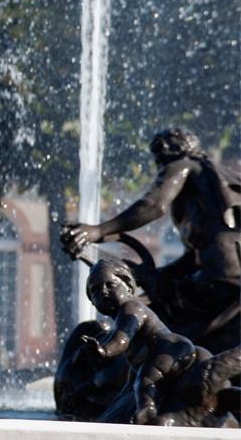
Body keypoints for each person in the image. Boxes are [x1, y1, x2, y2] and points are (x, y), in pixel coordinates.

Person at [61, 128, 241, 331]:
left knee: (153, 325)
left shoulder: (182, 165)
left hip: (216, 280)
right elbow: (197, 257)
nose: (158, 166)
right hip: (232, 276)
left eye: (158, 158)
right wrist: (152, 275)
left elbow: (154, 205)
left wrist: (98, 230)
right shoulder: (220, 178)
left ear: (168, 153)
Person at [80, 258, 209, 424]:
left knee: (146, 380)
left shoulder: (131, 307)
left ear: (128, 286)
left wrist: (104, 351)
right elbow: (133, 373)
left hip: (168, 348)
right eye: (95, 290)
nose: (103, 291)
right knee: (139, 379)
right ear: (92, 300)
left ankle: (147, 410)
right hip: (167, 353)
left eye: (110, 285)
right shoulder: (121, 315)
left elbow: (122, 339)